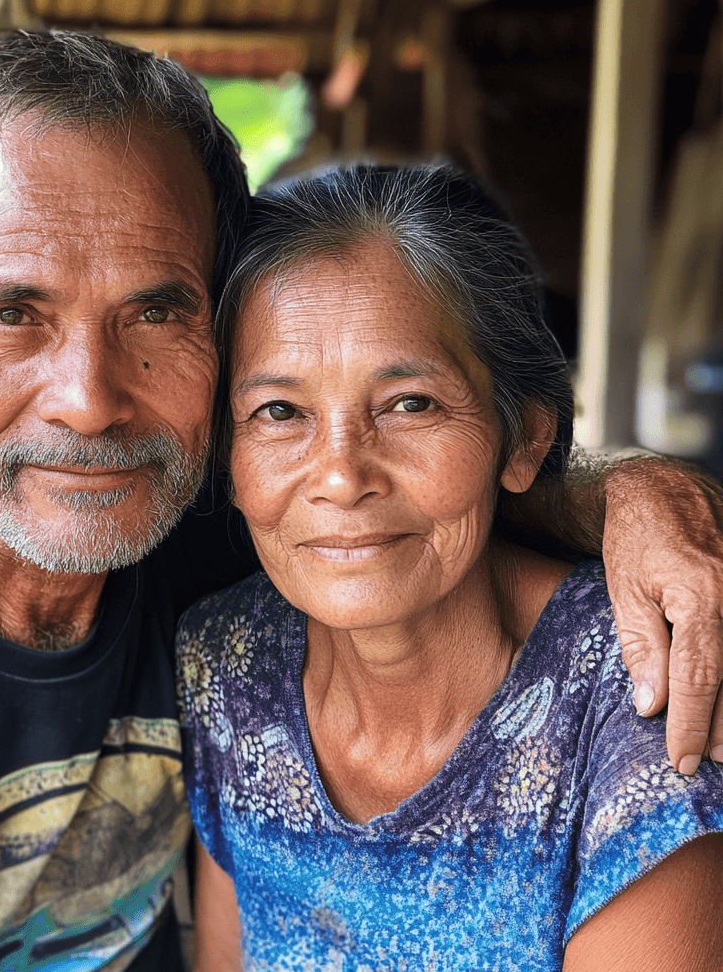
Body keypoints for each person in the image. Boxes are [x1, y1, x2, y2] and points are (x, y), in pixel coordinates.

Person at [0, 30, 719, 972]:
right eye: (13, 313)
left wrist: (631, 497)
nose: (91, 402)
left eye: (155, 309)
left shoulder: (206, 497)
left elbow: (412, 482)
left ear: (221, 342)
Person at [177, 163, 723, 972]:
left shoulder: (642, 689)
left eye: (411, 404)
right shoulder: (226, 666)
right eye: (280, 412)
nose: (340, 474)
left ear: (525, 438)